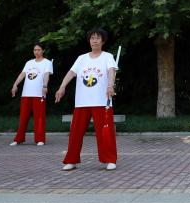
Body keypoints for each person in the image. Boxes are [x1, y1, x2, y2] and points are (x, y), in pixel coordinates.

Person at [55, 28, 118, 171]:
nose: (95, 40)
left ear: (102, 41)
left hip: (102, 101)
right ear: (89, 41)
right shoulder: (81, 58)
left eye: (98, 38)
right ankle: (71, 160)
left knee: (105, 133)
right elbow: (71, 72)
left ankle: (110, 159)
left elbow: (111, 71)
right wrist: (62, 87)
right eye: (92, 38)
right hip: (82, 102)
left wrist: (110, 85)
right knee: (75, 133)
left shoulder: (107, 56)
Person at [9, 43, 53, 146]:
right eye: (35, 50)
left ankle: (40, 139)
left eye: (38, 50)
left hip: (39, 94)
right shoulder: (29, 63)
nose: (36, 52)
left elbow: (46, 75)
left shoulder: (47, 62)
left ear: (43, 51)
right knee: (23, 117)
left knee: (39, 117)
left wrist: (45, 86)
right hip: (26, 94)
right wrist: (15, 84)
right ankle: (19, 139)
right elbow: (22, 74)